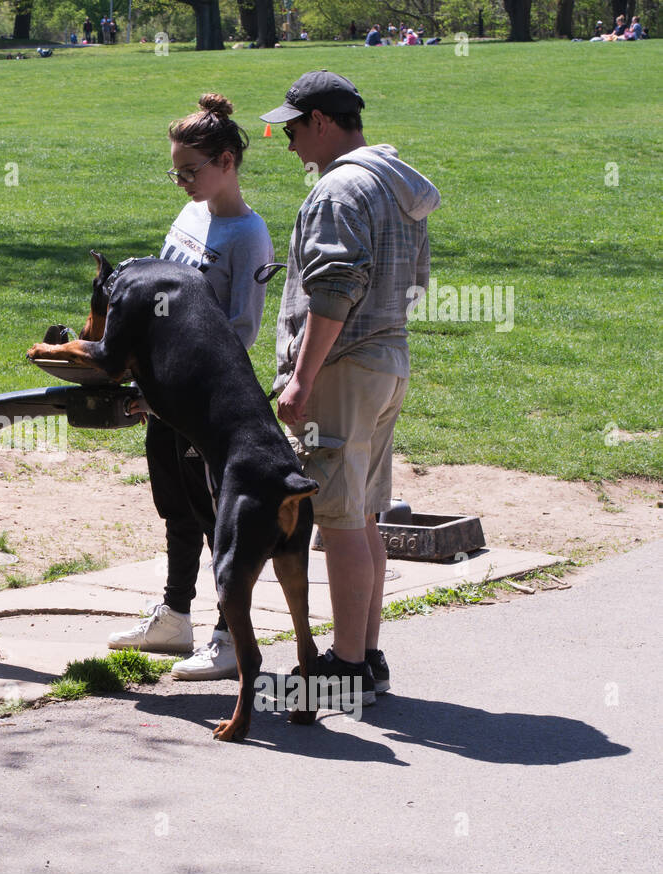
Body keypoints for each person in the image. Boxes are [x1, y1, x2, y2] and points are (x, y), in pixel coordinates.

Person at [260, 70, 439, 698]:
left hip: (343, 367)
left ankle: (345, 669)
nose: (287, 143)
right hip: (388, 361)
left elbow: (335, 289)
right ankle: (366, 656)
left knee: (338, 520)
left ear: (322, 123)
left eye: (292, 128)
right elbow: (416, 281)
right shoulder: (394, 184)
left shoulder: (338, 189)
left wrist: (302, 377)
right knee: (363, 515)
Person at [107, 93, 275, 681]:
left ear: (227, 161)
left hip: (204, 401)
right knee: (175, 507)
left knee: (215, 516)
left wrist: (172, 379)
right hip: (162, 392)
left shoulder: (248, 236)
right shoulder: (190, 216)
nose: (181, 181)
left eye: (190, 170)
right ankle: (175, 617)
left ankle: (230, 639)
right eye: (174, 170)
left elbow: (241, 331)